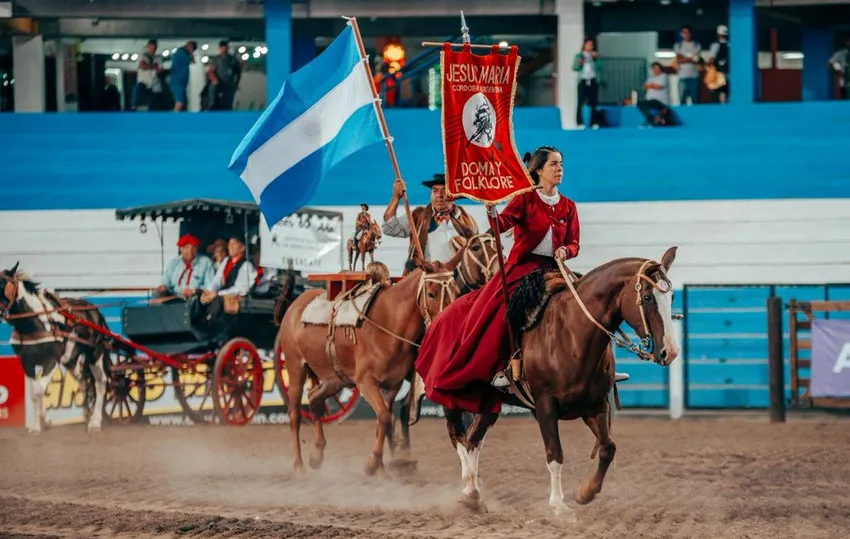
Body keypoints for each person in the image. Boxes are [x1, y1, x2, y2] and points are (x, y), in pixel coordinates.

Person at [414, 146, 626, 416]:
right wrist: (492, 211)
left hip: (555, 269)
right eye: (553, 164)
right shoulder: (524, 199)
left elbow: (574, 242)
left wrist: (567, 251)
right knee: (504, 311)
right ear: (538, 170)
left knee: (592, 307)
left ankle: (603, 369)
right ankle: (505, 368)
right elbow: (500, 225)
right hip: (522, 270)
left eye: (561, 164)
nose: (559, 169)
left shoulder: (568, 206)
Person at [382, 173, 478, 268]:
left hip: (458, 280)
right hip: (427, 279)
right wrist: (395, 197)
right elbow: (389, 228)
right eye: (435, 191)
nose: (439, 195)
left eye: (445, 191)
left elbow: (478, 251)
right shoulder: (418, 216)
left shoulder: (467, 220)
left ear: (454, 195)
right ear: (431, 194)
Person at [155, 234, 215, 300]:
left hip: (196, 301)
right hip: (174, 299)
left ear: (197, 249)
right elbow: (166, 282)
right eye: (186, 247)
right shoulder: (174, 263)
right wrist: (163, 287)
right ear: (181, 249)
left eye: (193, 247)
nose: (190, 251)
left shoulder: (206, 262)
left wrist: (194, 291)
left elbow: (210, 287)